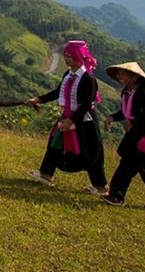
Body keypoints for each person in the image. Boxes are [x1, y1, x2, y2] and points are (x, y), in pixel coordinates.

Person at [25, 40, 107, 193]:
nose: (67, 59)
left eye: (70, 56)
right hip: (67, 117)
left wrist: (71, 120)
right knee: (54, 144)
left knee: (91, 153)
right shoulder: (68, 75)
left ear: (78, 57)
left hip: (84, 122)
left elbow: (86, 105)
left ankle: (101, 187)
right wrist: (39, 99)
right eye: (65, 55)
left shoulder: (88, 79)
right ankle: (45, 174)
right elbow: (58, 92)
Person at [101, 61, 145, 212]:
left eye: (123, 74)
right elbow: (125, 112)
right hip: (135, 136)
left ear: (134, 78)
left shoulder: (144, 95)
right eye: (119, 74)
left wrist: (135, 125)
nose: (120, 76)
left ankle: (116, 196)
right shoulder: (127, 93)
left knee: (127, 166)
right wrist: (112, 118)